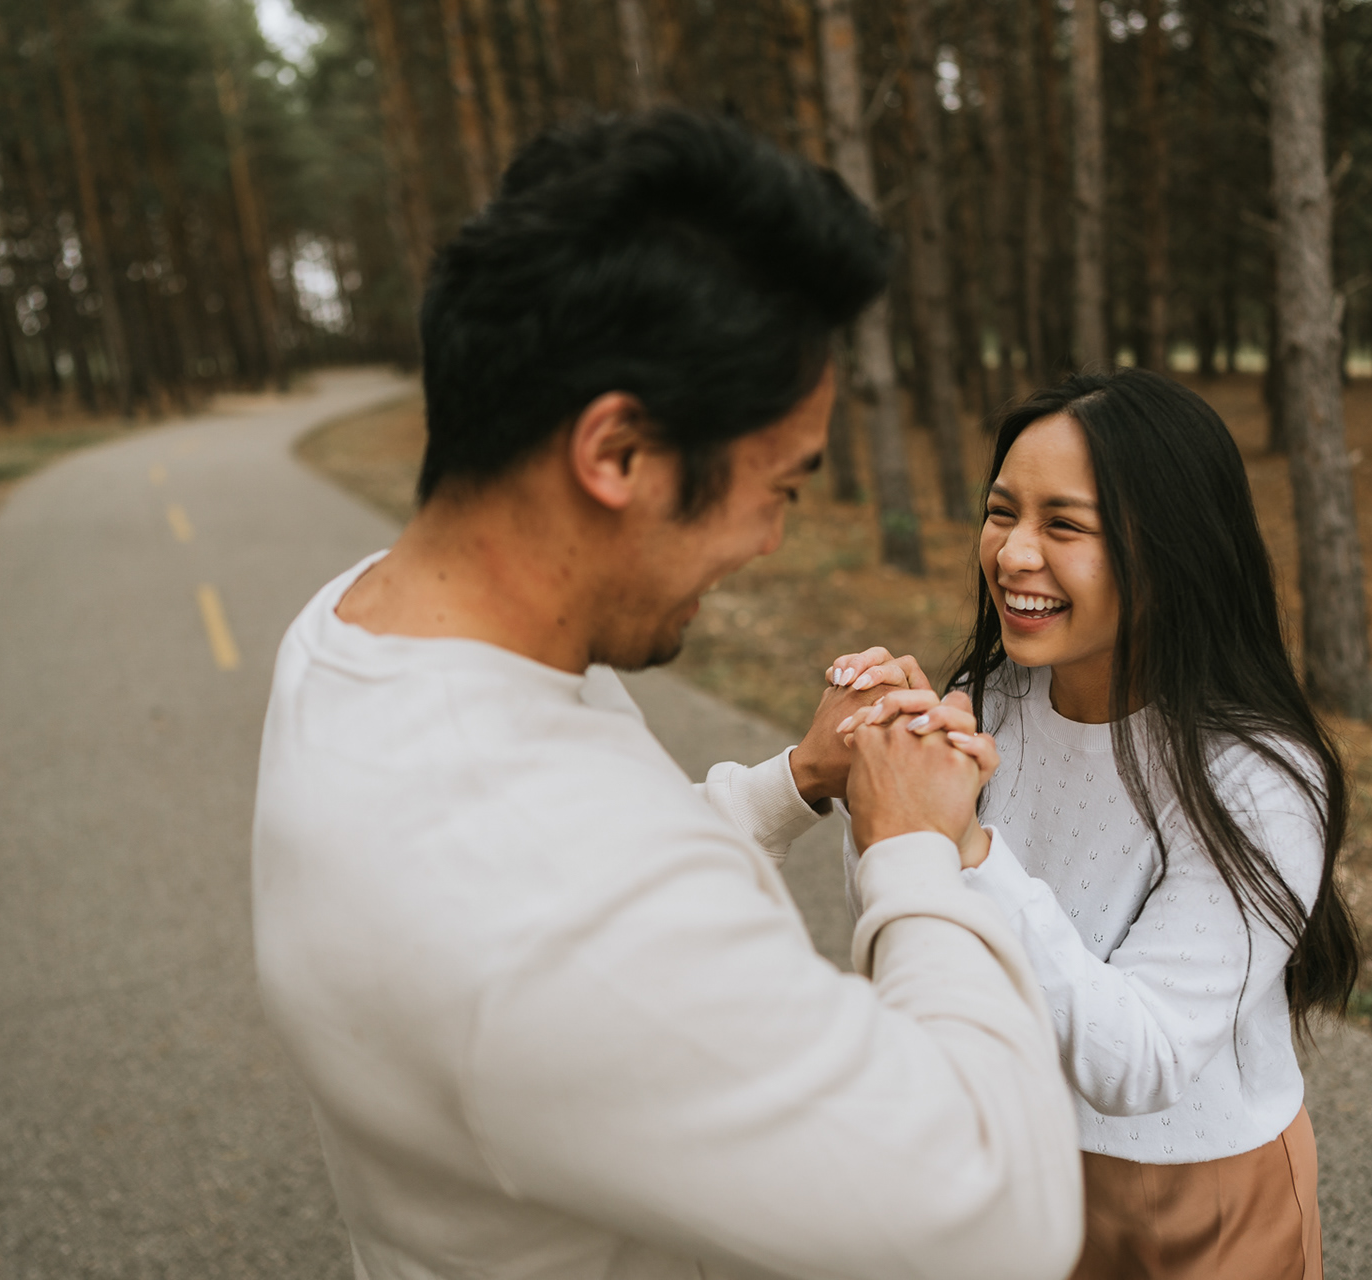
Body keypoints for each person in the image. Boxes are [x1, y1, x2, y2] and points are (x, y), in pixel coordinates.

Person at [250, 110, 1082, 1280]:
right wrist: (914, 853)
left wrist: (797, 781)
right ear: (620, 453)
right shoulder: (553, 901)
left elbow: (600, 844)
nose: (772, 539)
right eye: (779, 484)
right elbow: (998, 1219)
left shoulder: (357, 623)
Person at [826, 370, 1359, 1279]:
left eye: (1064, 526)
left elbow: (1140, 1061)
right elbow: (905, 931)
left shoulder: (1258, 776)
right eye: (1001, 513)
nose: (1012, 554)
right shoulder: (993, 699)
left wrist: (963, 844)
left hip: (1189, 1201)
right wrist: (880, 788)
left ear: (1174, 549)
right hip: (1002, 1156)